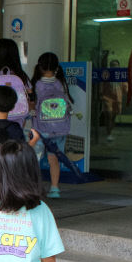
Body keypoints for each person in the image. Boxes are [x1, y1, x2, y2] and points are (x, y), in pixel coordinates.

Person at [31, 52, 75, 198]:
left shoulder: (37, 84)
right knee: (54, 159)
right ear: (57, 68)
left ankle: (35, 188)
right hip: (60, 128)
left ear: (40, 67)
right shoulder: (60, 83)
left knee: (35, 158)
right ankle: (55, 188)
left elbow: (34, 105)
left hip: (41, 129)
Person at [101, 59, 126, 143]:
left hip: (117, 99)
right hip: (107, 98)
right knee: (108, 115)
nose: (114, 66)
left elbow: (125, 88)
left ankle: (110, 132)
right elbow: (101, 85)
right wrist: (101, 95)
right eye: (112, 65)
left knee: (113, 117)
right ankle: (109, 134)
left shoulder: (121, 75)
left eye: (116, 65)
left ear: (119, 66)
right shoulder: (106, 74)